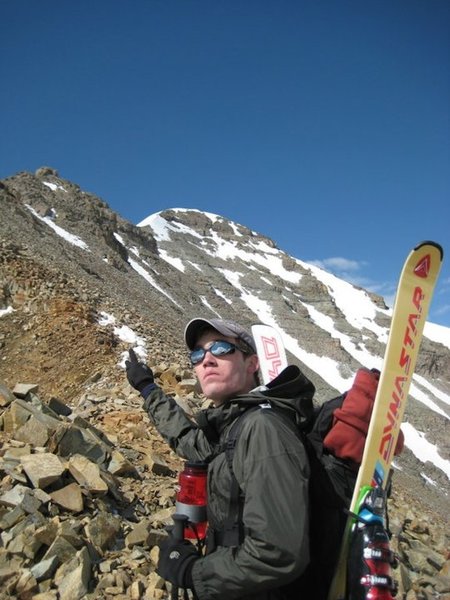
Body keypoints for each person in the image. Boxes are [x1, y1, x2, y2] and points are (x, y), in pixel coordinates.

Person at [125, 317, 316, 600]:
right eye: (198, 353)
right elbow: (189, 441)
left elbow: (277, 551)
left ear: (252, 364)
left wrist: (192, 572)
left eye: (222, 349)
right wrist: (148, 389)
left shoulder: (263, 429)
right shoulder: (234, 426)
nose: (207, 359)